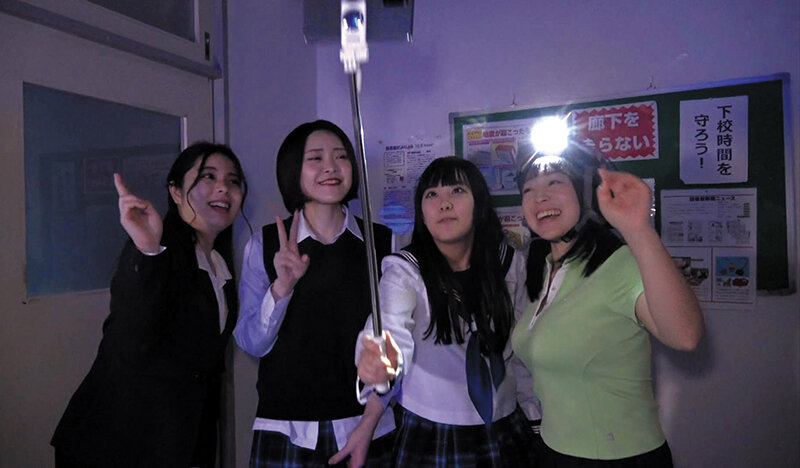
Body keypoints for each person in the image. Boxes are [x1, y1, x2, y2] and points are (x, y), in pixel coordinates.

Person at [51, 142, 248, 467]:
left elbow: (205, 373)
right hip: (115, 441)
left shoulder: (219, 265)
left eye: (233, 180)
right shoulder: (157, 251)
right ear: (175, 191)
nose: (223, 188)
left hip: (174, 443)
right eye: (208, 176)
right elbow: (129, 338)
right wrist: (146, 249)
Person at [511, 143, 704, 467]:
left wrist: (637, 229)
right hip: (553, 450)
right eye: (528, 189)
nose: (539, 197)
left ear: (585, 192)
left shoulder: (621, 264)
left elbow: (685, 335)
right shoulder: (543, 268)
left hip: (620, 457)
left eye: (554, 182)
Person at [357, 156, 538, 467]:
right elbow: (390, 326)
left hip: (507, 423)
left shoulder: (510, 263)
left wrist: (535, 416)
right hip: (431, 431)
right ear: (422, 213)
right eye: (432, 194)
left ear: (479, 203)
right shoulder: (405, 270)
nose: (444, 203)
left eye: (457, 190)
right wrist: (382, 362)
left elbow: (522, 349)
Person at [235, 120, 395, 468]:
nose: (331, 167)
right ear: (294, 169)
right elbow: (250, 342)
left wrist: (372, 417)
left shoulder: (384, 243)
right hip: (286, 428)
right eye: (315, 158)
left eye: (341, 156)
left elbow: (398, 343)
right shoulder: (264, 244)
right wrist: (282, 287)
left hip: (367, 426)